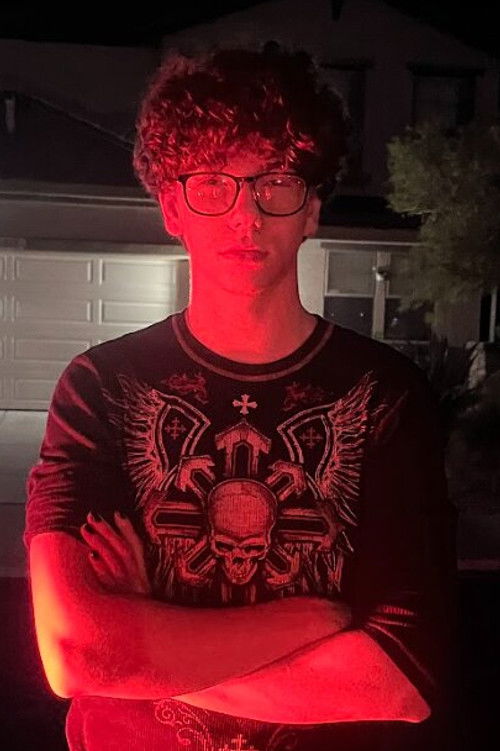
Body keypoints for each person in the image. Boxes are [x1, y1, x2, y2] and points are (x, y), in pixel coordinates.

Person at [25, 43, 457, 751]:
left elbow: (400, 680)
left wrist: (142, 645)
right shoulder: (99, 388)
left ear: (311, 209)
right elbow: (75, 652)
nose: (246, 214)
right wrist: (311, 620)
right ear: (173, 207)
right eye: (212, 183)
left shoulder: (384, 396)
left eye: (276, 183)